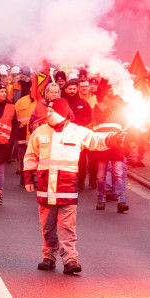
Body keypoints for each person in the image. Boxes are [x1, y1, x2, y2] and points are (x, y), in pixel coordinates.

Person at [24, 98, 124, 274]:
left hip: (67, 188)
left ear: (62, 114)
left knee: (67, 226)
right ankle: (49, 257)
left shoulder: (77, 132)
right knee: (47, 226)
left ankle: (70, 259)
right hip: (45, 187)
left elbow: (96, 139)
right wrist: (27, 177)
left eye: (51, 112)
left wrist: (114, 138)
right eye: (47, 111)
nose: (47, 114)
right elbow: (31, 154)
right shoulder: (39, 132)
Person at [92, 87, 129, 212]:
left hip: (117, 146)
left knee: (118, 173)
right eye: (109, 90)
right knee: (101, 176)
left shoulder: (123, 108)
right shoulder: (99, 107)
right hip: (103, 145)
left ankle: (121, 200)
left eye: (115, 90)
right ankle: (101, 200)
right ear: (105, 92)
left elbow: (127, 129)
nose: (113, 92)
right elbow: (95, 126)